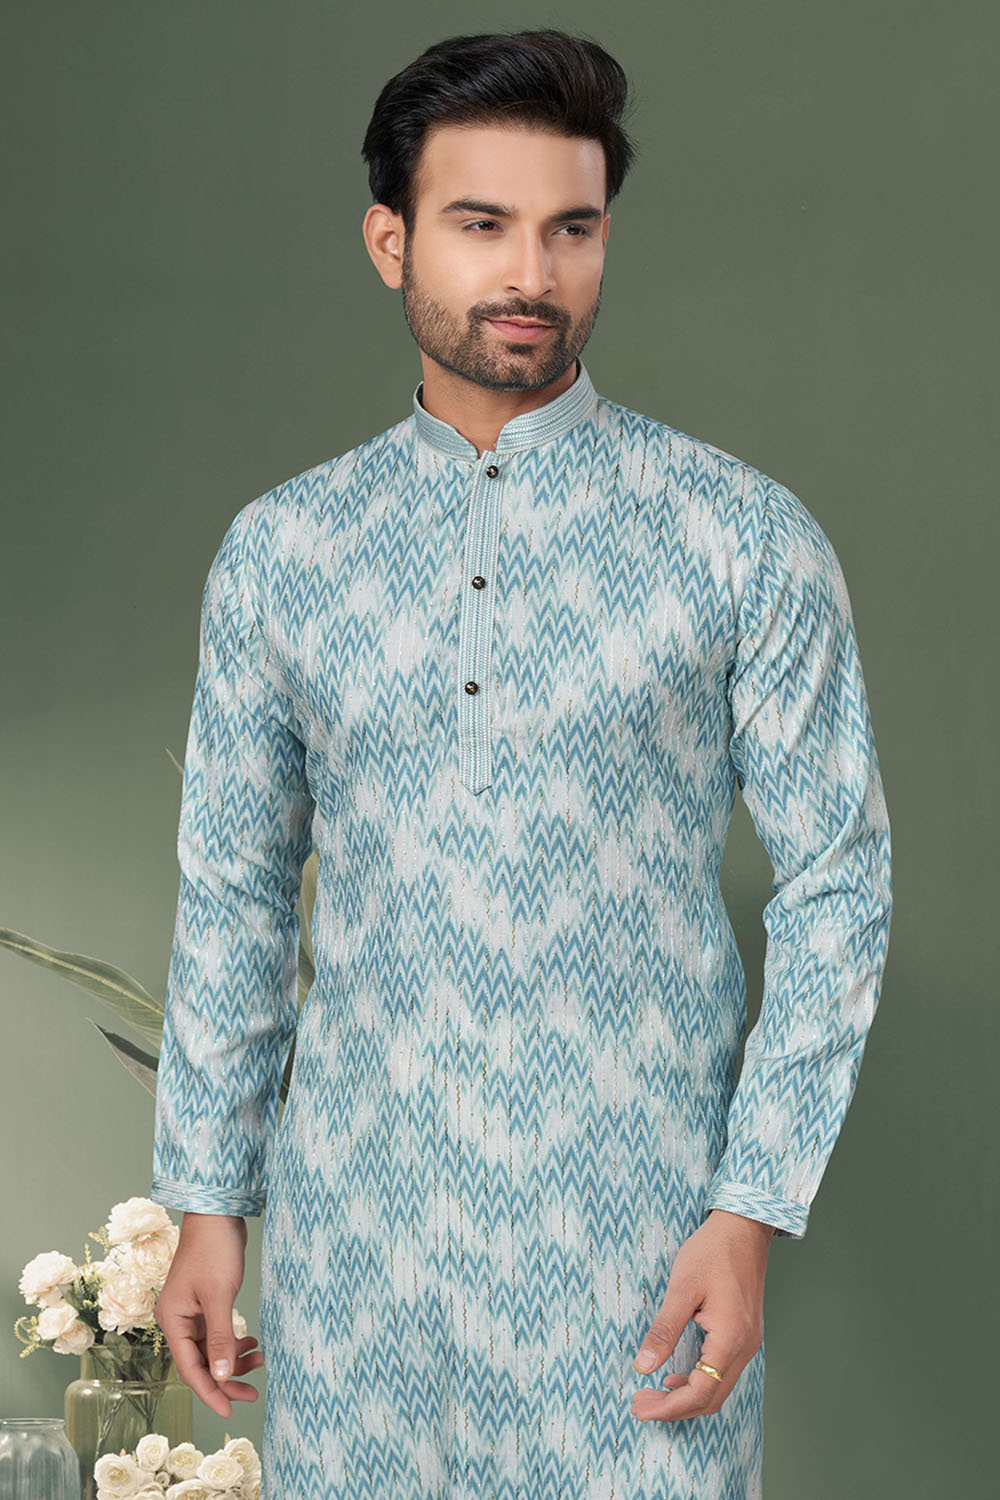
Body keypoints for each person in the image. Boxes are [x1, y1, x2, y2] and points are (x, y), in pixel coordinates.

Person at [151, 26, 892, 1500]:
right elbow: (235, 893)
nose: (532, 276)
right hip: (359, 1268)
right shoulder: (285, 553)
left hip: (647, 1263)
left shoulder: (739, 539)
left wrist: (752, 1209)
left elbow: (839, 883)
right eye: (482, 225)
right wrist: (206, 1199)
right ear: (391, 241)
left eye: (573, 229)